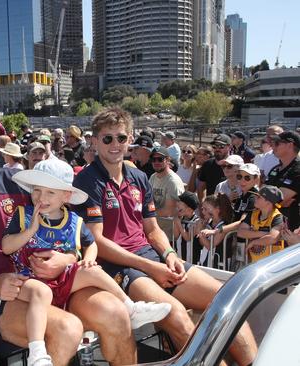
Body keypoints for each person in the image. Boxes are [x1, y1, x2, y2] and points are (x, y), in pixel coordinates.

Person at [0, 115, 137, 366]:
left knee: (116, 313)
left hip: (53, 280)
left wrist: (68, 257)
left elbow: (64, 222)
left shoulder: (16, 184)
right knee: (66, 329)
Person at [73, 107, 257, 365]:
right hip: (119, 268)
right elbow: (97, 242)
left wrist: (169, 254)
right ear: (94, 141)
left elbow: (152, 229)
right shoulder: (86, 182)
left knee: (227, 298)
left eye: (121, 138)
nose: (115, 144)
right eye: (107, 138)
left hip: (151, 257)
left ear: (130, 139)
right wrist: (151, 266)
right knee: (177, 315)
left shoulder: (138, 177)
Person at [2, 159, 171, 365]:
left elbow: (91, 244)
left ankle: (130, 307)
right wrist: (29, 231)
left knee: (95, 271)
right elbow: (6, 246)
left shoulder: (75, 221)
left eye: (50, 192)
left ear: (66, 196)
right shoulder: (23, 215)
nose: (41, 197)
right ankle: (37, 352)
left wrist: (89, 260)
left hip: (64, 280)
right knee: (41, 292)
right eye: (37, 190)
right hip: (30, 280)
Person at [237, 185, 286, 263]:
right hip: (254, 264)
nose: (255, 198)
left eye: (259, 197)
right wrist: (264, 233)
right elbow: (240, 232)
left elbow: (273, 238)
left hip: (272, 265)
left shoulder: (277, 217)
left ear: (268, 202)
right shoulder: (253, 214)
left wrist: (254, 242)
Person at [148, 147, 185, 242]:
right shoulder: (153, 177)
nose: (156, 162)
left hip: (170, 235)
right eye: (153, 159)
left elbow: (168, 211)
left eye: (160, 159)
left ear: (168, 160)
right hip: (156, 231)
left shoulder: (173, 181)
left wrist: (145, 212)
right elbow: (148, 200)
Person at [266, 131, 300, 231]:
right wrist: (279, 203)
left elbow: (279, 199)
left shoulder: (297, 170)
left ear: (290, 145)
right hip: (270, 227)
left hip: (291, 229)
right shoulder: (275, 169)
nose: (272, 146)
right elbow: (262, 196)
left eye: (277, 143)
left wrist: (275, 202)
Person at [197, 194, 234, 267]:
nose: (203, 212)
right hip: (207, 260)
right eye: (202, 209)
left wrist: (199, 230)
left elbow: (210, 246)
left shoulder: (224, 226)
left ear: (218, 209)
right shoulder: (209, 223)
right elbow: (202, 243)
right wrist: (202, 229)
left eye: (206, 209)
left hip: (219, 264)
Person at [197, 134, 232, 202]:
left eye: (221, 146)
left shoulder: (235, 164)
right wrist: (202, 205)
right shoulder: (207, 164)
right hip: (211, 209)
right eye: (215, 146)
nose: (217, 149)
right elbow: (201, 187)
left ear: (229, 147)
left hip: (230, 208)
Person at [173, 192, 202, 264]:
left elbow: (188, 238)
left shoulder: (197, 221)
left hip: (192, 259)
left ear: (189, 209)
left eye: (180, 203)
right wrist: (176, 222)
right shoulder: (180, 219)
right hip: (180, 256)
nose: (177, 204)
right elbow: (176, 236)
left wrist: (179, 223)